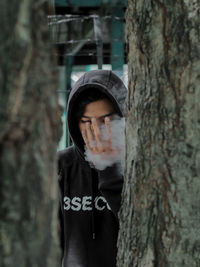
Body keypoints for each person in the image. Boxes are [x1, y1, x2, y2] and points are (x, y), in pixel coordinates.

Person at [58, 69, 127, 267]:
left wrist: (110, 168)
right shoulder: (61, 165)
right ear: (74, 123)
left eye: (106, 121)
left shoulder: (138, 166)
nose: (96, 131)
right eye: (87, 122)